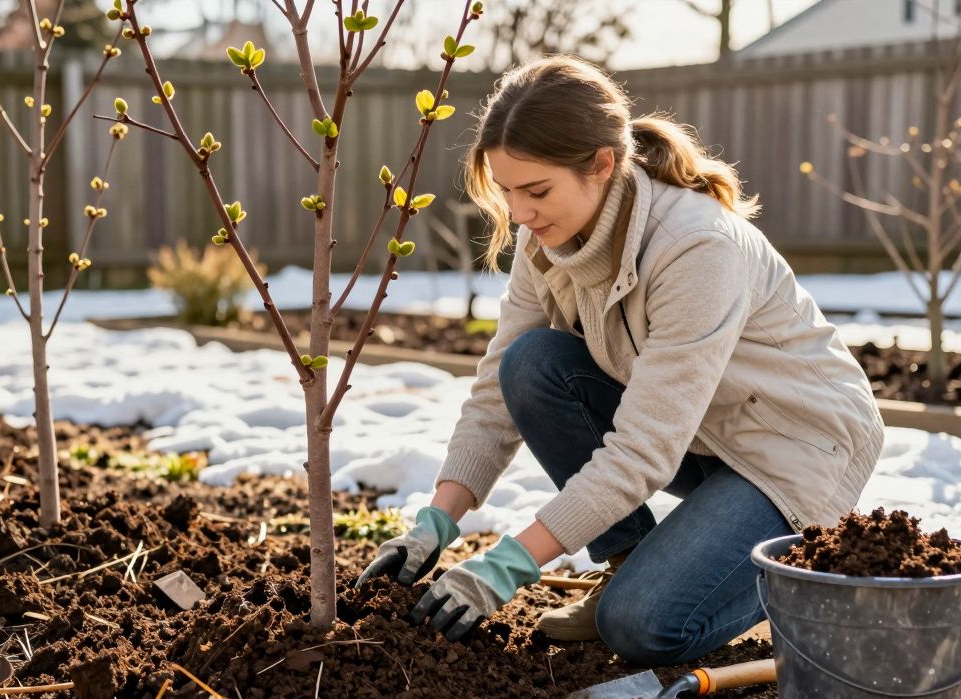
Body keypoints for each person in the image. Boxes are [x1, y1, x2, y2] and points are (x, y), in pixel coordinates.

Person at [356, 55, 885, 665]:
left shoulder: (696, 248)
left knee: (640, 626)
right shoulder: (545, 237)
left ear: (603, 165)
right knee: (532, 364)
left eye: (536, 190)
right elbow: (498, 391)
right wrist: (437, 522)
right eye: (505, 191)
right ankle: (632, 562)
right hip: (704, 435)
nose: (520, 213)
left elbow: (644, 449)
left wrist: (510, 564)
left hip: (797, 448)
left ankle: (809, 561)